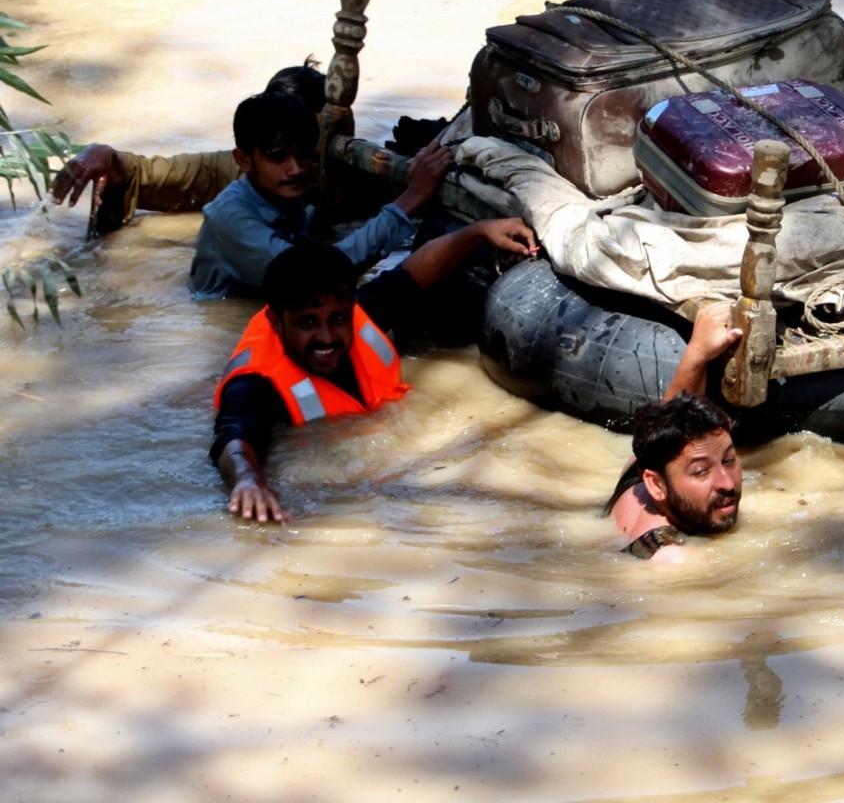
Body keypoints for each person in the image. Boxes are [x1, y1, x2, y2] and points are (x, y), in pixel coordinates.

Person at [215, 228, 537, 523]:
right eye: (308, 323)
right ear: (275, 322)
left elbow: (415, 273)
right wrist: (248, 480)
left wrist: (480, 232)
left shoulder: (358, 313)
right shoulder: (255, 382)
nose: (326, 337)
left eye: (337, 319)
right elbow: (234, 437)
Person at [189, 90, 457, 297]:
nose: (295, 169)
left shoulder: (281, 195)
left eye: (303, 155)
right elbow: (317, 278)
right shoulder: (230, 217)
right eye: (278, 157)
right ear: (244, 160)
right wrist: (412, 197)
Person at [50, 62, 327, 235]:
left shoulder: (349, 175)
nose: (295, 166)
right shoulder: (240, 178)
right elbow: (149, 175)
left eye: (303, 147)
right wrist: (105, 155)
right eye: (279, 151)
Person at [604, 302, 745, 560]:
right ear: (656, 485)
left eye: (729, 460)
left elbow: (673, 414)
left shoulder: (639, 471)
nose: (727, 483)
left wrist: (698, 352)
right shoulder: (671, 559)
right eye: (701, 471)